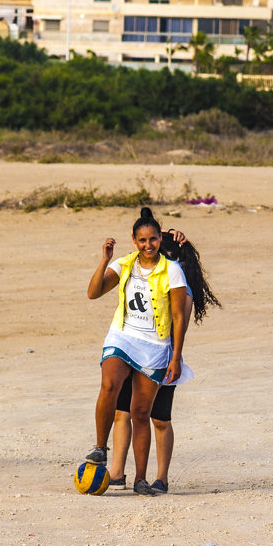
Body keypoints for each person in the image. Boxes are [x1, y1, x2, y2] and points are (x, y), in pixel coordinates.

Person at [84, 207, 189, 496]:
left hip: (155, 346)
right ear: (134, 240)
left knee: (140, 413)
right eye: (142, 240)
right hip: (123, 336)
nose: (148, 245)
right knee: (109, 384)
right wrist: (105, 260)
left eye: (153, 240)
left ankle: (141, 479)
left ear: (159, 240)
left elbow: (180, 316)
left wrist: (176, 356)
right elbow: (93, 292)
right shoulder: (124, 264)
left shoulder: (173, 270)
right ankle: (99, 448)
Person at [108, 229, 220, 493]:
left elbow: (178, 327)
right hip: (134, 354)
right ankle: (116, 472)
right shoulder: (147, 270)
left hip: (163, 360)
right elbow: (144, 228)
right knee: (122, 413)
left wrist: (174, 360)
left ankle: (162, 477)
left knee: (159, 419)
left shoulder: (182, 289)